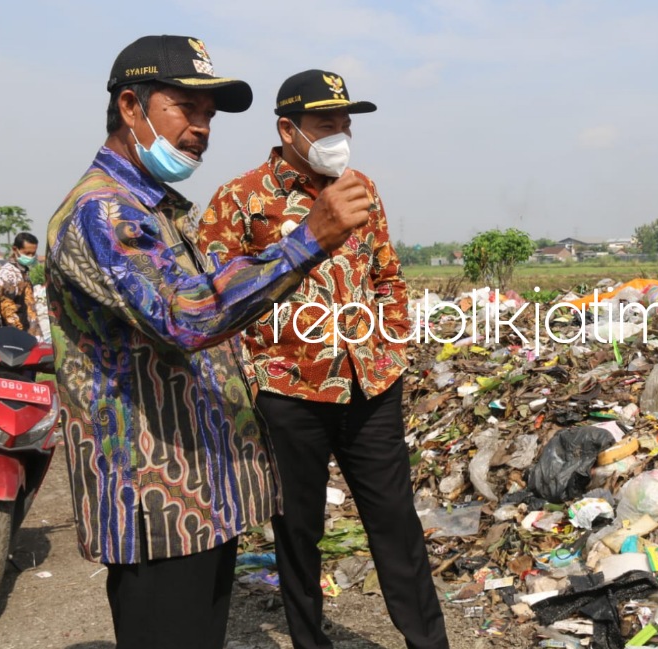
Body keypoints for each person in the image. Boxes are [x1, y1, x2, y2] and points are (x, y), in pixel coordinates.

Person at [45, 37, 378, 649]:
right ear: (130, 106)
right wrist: (307, 241)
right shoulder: (102, 213)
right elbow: (187, 317)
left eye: (209, 116)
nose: (201, 128)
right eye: (185, 109)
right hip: (155, 498)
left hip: (198, 497)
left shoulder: (158, 208)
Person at [199, 69, 449, 649]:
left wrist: (391, 345)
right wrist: (256, 370)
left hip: (371, 385)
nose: (340, 134)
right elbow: (213, 292)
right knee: (299, 532)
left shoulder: (362, 187)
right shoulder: (241, 199)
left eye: (345, 124)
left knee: (396, 525)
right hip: (289, 393)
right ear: (289, 128)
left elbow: (387, 274)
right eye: (325, 124)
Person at [0, 232, 43, 338]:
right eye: (27, 253)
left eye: (33, 253)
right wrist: (20, 335)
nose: (31, 256)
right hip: (18, 336)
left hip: (30, 333)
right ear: (15, 249)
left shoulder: (23, 271)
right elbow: (7, 309)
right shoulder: (8, 274)